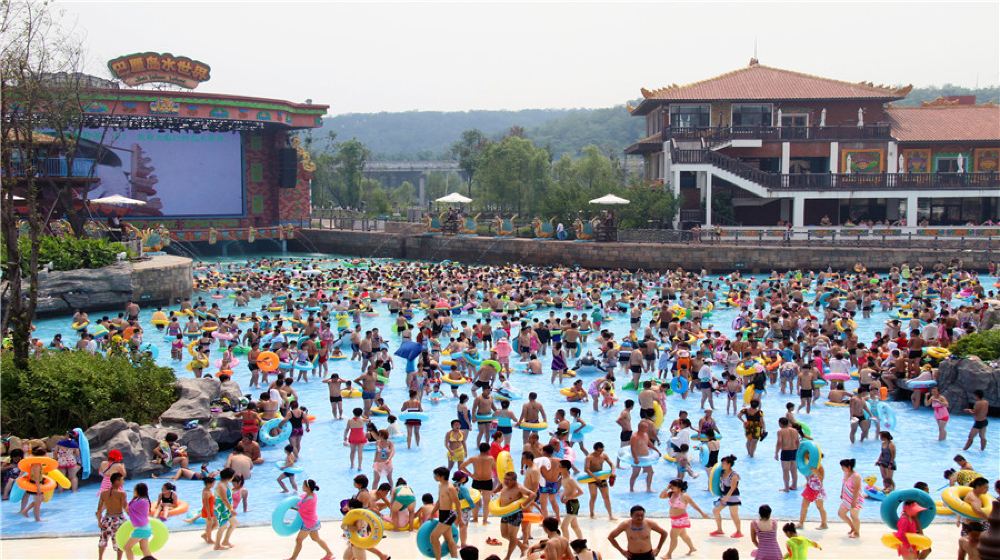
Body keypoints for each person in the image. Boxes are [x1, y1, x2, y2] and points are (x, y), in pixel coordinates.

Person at [285, 479, 334, 560]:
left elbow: (300, 509)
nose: (302, 486)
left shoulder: (311, 498)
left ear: (307, 487)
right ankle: (329, 553)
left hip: (309, 523)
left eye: (303, 485)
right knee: (316, 538)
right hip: (313, 521)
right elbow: (299, 499)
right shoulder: (308, 495)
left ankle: (293, 558)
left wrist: (289, 507)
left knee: (299, 540)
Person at [659, 478, 708, 559]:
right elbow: (661, 496)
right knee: (683, 535)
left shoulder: (684, 496)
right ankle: (692, 548)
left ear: (679, 487)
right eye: (670, 486)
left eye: (673, 486)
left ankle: (669, 554)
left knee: (673, 536)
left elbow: (694, 505)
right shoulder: (671, 494)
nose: (671, 487)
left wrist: (702, 513)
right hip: (674, 519)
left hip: (681, 519)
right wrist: (667, 488)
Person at [430, 466, 460, 560]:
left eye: (436, 475)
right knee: (449, 539)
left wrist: (459, 519)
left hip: (449, 515)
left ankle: (438, 559)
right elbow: (439, 501)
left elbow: (457, 503)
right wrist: (432, 512)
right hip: (442, 514)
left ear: (441, 476)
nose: (434, 477)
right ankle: (454, 558)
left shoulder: (450, 488)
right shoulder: (440, 485)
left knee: (433, 537)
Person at [96, 472, 127, 560]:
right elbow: (126, 508)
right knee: (119, 541)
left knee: (103, 540)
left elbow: (99, 510)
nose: (123, 482)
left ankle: (100, 558)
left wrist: (99, 522)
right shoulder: (122, 494)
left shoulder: (103, 493)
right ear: (117, 481)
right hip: (118, 520)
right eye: (122, 480)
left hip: (106, 519)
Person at [710, 455, 742, 538]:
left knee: (734, 515)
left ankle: (739, 532)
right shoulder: (722, 473)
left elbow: (733, 488)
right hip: (724, 496)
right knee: (715, 511)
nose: (722, 464)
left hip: (733, 496)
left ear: (729, 464)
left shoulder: (734, 475)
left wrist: (727, 498)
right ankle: (719, 530)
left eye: (724, 463)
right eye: (722, 463)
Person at [122, 483, 152, 560]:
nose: (133, 491)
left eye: (134, 490)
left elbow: (128, 508)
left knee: (127, 547)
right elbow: (130, 512)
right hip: (145, 527)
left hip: (141, 529)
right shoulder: (142, 500)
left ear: (138, 491)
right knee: (144, 549)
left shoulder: (142, 501)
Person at [836, 458, 864, 539]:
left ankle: (857, 533)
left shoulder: (856, 476)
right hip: (846, 499)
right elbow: (843, 483)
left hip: (856, 500)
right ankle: (853, 528)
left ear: (848, 467)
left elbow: (857, 489)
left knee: (854, 516)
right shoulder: (846, 473)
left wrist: (854, 502)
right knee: (841, 513)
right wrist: (842, 493)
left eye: (842, 467)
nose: (841, 469)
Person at [797, 460, 828, 530]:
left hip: (818, 489)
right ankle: (801, 523)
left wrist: (816, 471)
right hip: (810, 488)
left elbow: (821, 479)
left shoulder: (820, 466)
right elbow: (808, 477)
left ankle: (824, 524)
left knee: (820, 507)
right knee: (804, 506)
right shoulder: (807, 466)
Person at [558, 459, 584, 540]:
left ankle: (565, 545)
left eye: (559, 466)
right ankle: (582, 543)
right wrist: (562, 496)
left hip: (573, 503)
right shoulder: (563, 478)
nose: (557, 467)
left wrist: (568, 498)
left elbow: (580, 492)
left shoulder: (570, 479)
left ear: (565, 468)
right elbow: (567, 489)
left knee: (563, 526)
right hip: (569, 503)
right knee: (574, 526)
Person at [214, 468, 237, 550]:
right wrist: (231, 510)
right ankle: (217, 545)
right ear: (229, 477)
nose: (233, 477)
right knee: (223, 526)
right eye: (233, 476)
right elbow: (224, 499)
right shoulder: (221, 485)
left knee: (234, 523)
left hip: (226, 507)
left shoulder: (226, 483)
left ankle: (225, 541)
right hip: (222, 509)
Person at [775, 417, 801, 492]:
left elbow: (779, 442)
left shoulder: (780, 431)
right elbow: (797, 442)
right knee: (794, 470)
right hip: (794, 451)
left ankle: (786, 488)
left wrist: (776, 453)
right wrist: (798, 452)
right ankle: (794, 486)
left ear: (780, 424)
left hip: (786, 452)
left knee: (785, 471)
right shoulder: (795, 430)